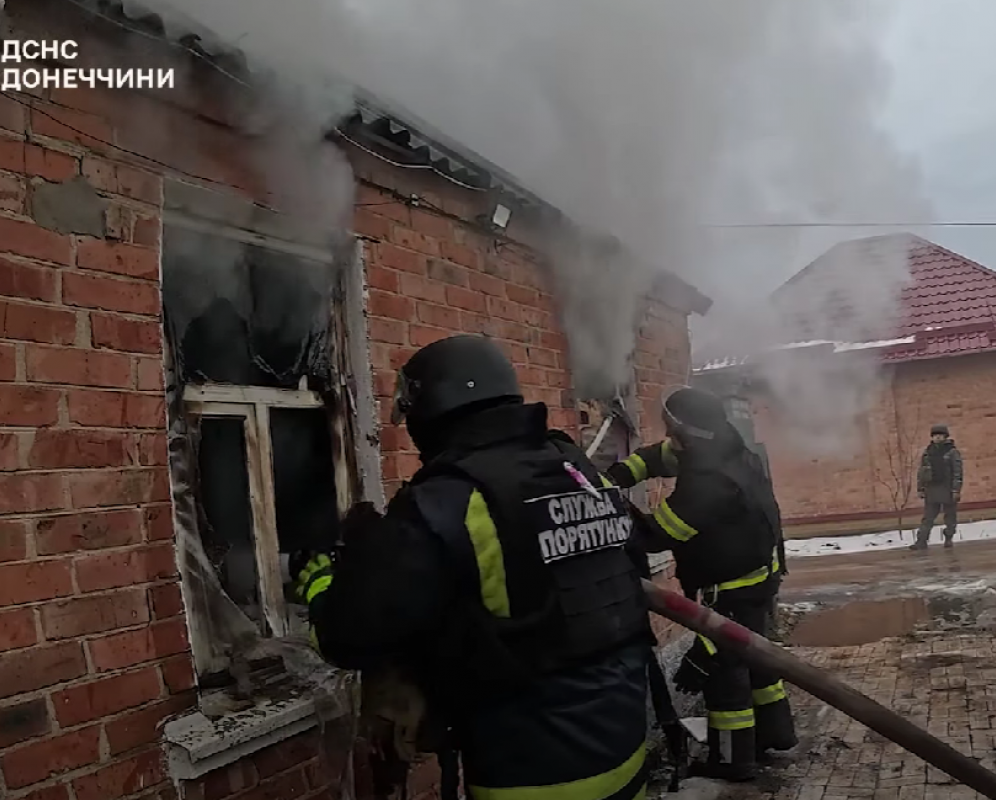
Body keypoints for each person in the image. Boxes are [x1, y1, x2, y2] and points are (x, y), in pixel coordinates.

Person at [295, 334, 655, 800]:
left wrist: (322, 581)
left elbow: (348, 637)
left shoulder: (448, 501)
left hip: (533, 781)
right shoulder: (578, 471)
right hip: (626, 755)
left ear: (431, 413)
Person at [606, 387, 796, 781]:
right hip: (760, 579)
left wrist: (615, 508)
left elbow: (656, 536)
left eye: (672, 428)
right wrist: (620, 473)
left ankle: (732, 760)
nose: (668, 436)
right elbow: (663, 456)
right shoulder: (730, 447)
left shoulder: (707, 485)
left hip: (728, 591)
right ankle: (774, 733)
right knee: (758, 659)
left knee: (725, 676)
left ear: (686, 431)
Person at [910, 424, 964, 551]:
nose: (938, 438)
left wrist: (956, 489)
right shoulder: (928, 452)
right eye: (935, 435)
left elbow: (958, 472)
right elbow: (922, 472)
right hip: (932, 489)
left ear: (945, 437)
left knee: (950, 516)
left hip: (947, 488)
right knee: (928, 517)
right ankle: (921, 541)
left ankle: (948, 538)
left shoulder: (952, 452)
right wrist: (920, 488)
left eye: (940, 435)